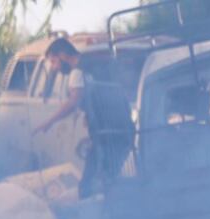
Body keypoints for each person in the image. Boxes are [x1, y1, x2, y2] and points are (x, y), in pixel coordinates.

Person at [33, 37, 134, 199]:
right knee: (109, 182)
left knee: (88, 187)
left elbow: (73, 101)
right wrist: (90, 113)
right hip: (122, 131)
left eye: (54, 62)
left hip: (107, 138)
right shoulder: (94, 64)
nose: (55, 68)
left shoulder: (77, 72)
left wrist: (49, 122)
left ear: (63, 55)